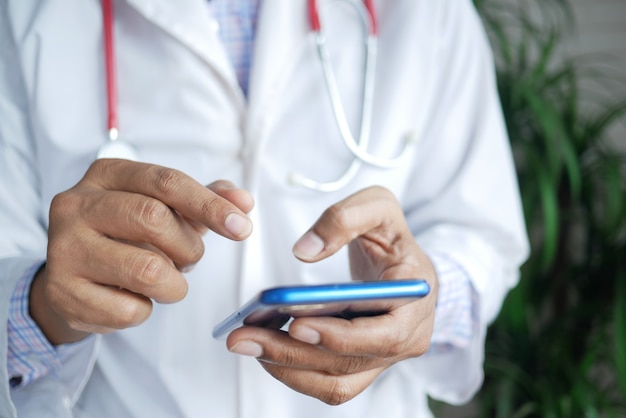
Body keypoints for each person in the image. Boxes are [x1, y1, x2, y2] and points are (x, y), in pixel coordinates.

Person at [0, 0, 529, 417]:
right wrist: (45, 304)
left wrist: (424, 299)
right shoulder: (25, 14)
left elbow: (481, 233)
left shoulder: (431, 11)